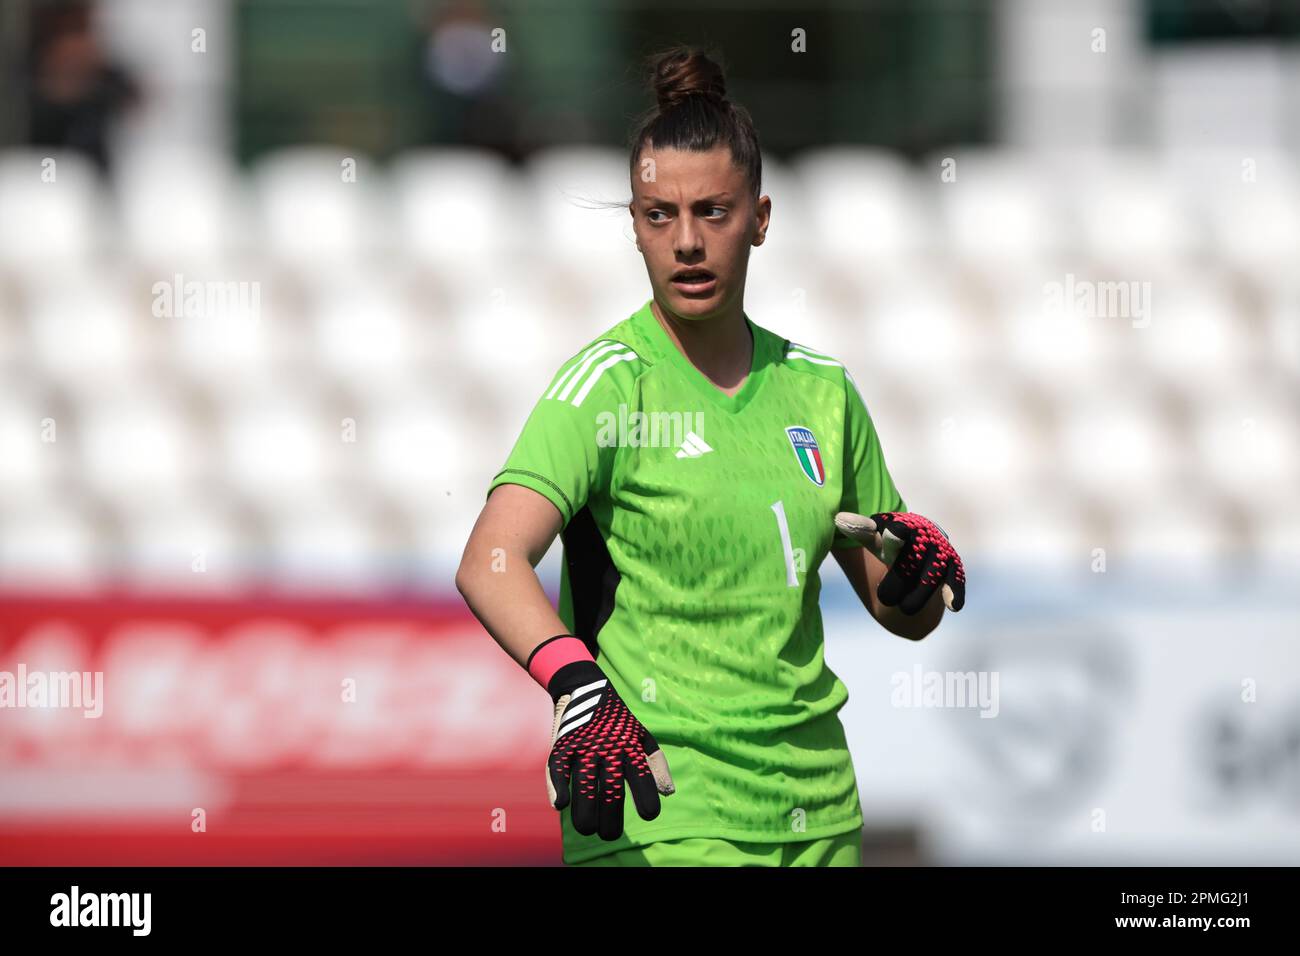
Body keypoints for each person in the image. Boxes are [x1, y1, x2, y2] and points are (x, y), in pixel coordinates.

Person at [456, 45, 965, 867]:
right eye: (660, 216)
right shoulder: (606, 388)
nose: (686, 242)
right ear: (634, 225)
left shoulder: (822, 392)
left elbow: (906, 616)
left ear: (760, 219)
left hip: (820, 815)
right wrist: (577, 684)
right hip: (663, 811)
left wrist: (915, 569)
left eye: (713, 213)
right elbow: (489, 558)